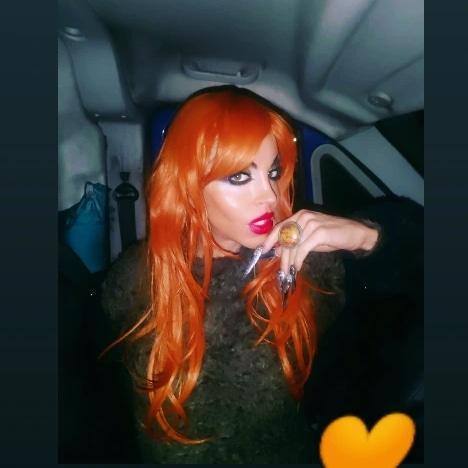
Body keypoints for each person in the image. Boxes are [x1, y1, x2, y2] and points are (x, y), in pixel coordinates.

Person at [100, 86, 423, 463]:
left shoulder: (300, 263)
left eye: (273, 172)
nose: (269, 196)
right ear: (187, 183)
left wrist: (366, 236)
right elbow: (107, 404)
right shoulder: (134, 279)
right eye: (240, 176)